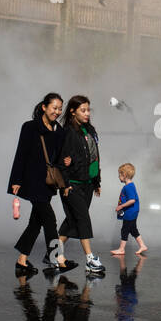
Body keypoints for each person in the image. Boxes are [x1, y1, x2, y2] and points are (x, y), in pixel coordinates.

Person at [8, 93, 74, 276]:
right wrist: (16, 180)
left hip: (47, 182)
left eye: (60, 109)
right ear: (44, 107)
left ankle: (22, 260)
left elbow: (60, 159)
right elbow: (20, 154)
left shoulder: (59, 131)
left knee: (35, 223)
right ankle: (56, 258)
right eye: (54, 108)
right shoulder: (30, 127)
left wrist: (66, 163)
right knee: (49, 219)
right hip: (31, 180)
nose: (57, 112)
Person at [56, 95, 105, 276]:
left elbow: (94, 157)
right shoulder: (68, 132)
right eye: (83, 110)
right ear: (72, 111)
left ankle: (53, 252)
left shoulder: (89, 129)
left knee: (73, 220)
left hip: (87, 184)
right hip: (73, 185)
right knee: (83, 219)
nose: (87, 113)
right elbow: (62, 160)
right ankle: (90, 259)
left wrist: (96, 181)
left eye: (88, 110)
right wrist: (66, 183)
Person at [110, 162, 148, 256]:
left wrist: (121, 206)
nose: (118, 177)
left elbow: (132, 200)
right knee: (132, 229)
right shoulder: (130, 185)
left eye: (119, 175)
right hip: (132, 211)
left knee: (125, 230)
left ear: (125, 175)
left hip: (130, 212)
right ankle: (142, 245)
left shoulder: (128, 187)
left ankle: (121, 249)